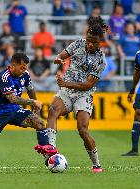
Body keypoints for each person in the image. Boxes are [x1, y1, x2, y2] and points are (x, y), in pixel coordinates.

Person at [34, 20, 107, 173]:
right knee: (53, 109)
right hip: (66, 92)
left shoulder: (101, 60)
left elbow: (88, 85)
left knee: (82, 130)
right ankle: (52, 148)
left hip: (83, 95)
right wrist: (59, 58)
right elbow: (62, 55)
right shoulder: (78, 44)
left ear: (100, 41)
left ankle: (96, 164)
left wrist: (65, 84)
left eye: (94, 42)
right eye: (88, 40)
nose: (90, 44)